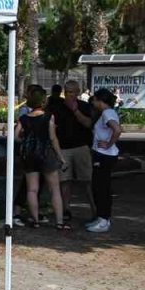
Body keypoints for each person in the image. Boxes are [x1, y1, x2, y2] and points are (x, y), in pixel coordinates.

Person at [16, 87, 67, 229]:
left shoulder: (23, 118)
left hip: (30, 155)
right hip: (46, 154)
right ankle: (59, 222)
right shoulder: (48, 117)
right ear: (43, 101)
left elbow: (16, 136)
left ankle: (35, 220)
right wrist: (61, 157)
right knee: (54, 189)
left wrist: (26, 139)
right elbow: (53, 138)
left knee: (32, 189)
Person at [50, 79, 95, 222]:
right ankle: (66, 209)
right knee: (65, 181)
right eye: (67, 92)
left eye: (72, 92)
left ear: (78, 92)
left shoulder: (84, 106)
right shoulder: (57, 107)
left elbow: (88, 124)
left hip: (81, 147)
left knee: (87, 180)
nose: (69, 95)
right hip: (63, 148)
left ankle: (95, 209)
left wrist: (75, 110)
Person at [86, 89, 122, 233]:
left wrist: (109, 143)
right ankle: (101, 217)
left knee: (101, 188)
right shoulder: (108, 113)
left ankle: (104, 219)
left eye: (94, 100)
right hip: (102, 154)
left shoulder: (107, 113)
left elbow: (117, 130)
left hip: (104, 156)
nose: (93, 103)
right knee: (99, 186)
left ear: (100, 101)